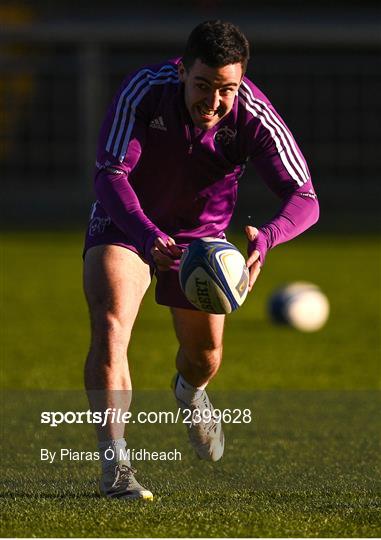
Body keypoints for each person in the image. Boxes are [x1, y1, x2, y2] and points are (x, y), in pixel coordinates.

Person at [83, 20, 319, 500]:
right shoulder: (146, 90)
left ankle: (190, 394)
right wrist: (147, 234)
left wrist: (267, 239)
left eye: (226, 89)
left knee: (204, 357)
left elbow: (306, 196)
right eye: (203, 86)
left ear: (241, 84)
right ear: (181, 71)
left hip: (202, 243)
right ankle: (116, 465)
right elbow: (110, 174)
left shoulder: (252, 114)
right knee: (111, 326)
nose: (213, 102)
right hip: (128, 225)